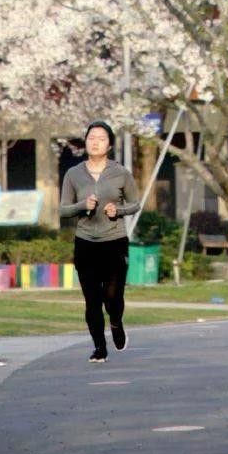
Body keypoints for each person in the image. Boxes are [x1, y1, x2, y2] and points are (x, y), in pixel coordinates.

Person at [60, 120, 139, 363]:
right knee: (92, 300)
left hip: (114, 242)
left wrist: (119, 211)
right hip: (86, 243)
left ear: (110, 145)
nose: (95, 142)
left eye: (101, 138)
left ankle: (115, 322)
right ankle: (99, 347)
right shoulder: (73, 174)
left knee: (113, 297)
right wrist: (83, 206)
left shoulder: (121, 173)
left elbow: (135, 204)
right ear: (85, 142)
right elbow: (63, 210)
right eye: (91, 137)